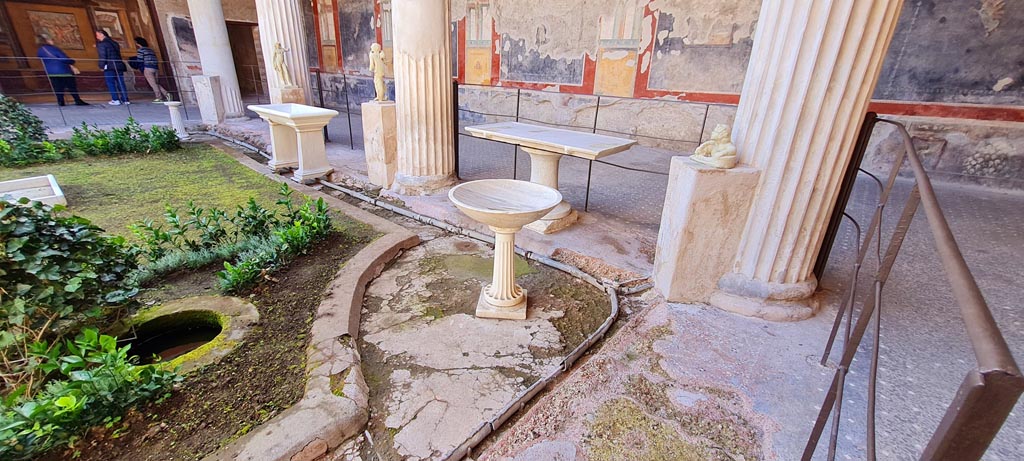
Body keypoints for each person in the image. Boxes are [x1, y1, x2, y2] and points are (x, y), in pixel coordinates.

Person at [36, 34, 88, 106]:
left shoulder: (40, 50)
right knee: (71, 86)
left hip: (51, 72)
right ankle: (77, 100)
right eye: (51, 39)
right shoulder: (54, 49)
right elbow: (64, 58)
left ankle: (61, 102)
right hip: (63, 70)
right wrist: (72, 61)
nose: (53, 41)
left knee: (58, 88)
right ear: (46, 41)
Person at [95, 30, 129, 105]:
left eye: (97, 35)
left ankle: (115, 99)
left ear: (102, 34)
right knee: (121, 82)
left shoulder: (102, 44)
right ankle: (125, 99)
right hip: (119, 64)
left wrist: (101, 66)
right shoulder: (115, 43)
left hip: (109, 66)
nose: (97, 37)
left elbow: (103, 56)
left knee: (110, 83)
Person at [132, 37, 171, 102]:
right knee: (155, 83)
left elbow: (140, 60)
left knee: (153, 84)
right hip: (155, 67)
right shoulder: (151, 50)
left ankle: (159, 97)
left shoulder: (141, 50)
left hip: (148, 67)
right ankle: (167, 94)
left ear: (138, 43)